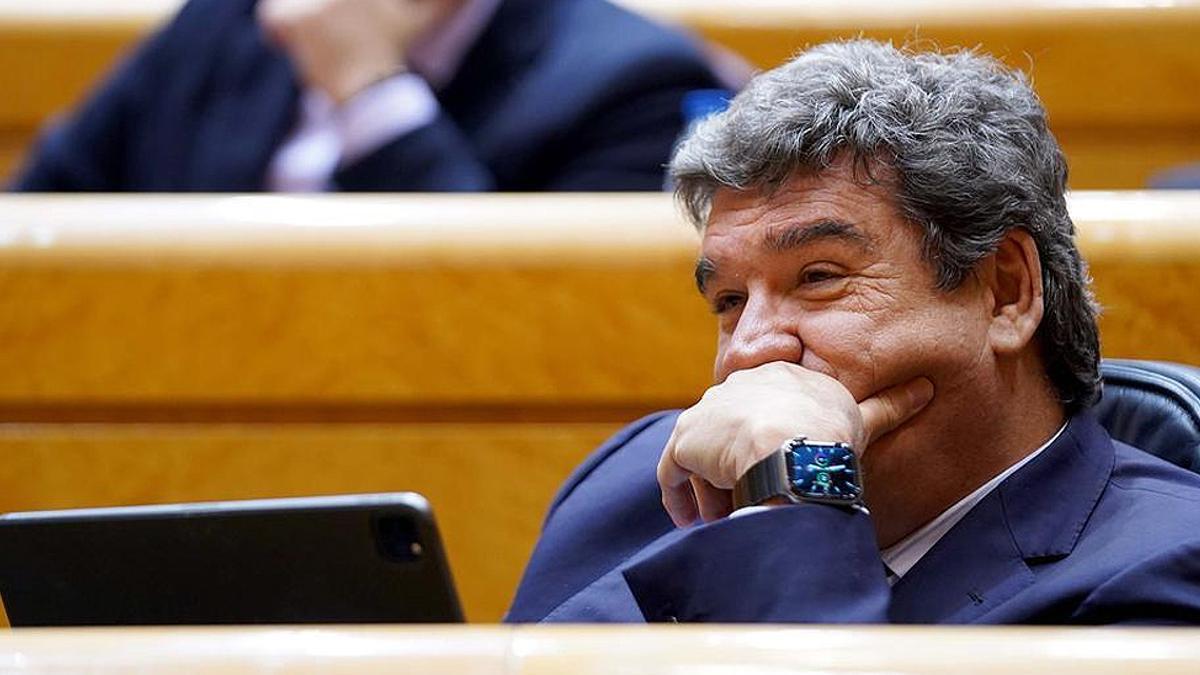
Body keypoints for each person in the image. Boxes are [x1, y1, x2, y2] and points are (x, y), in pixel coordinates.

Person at [506, 40, 1200, 624]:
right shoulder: (643, 479)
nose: (749, 348)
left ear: (1006, 291)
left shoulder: (1162, 569)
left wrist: (795, 494)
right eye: (728, 298)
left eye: (818, 277)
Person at [11, 0, 723, 192]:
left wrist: (369, 93)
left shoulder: (637, 83)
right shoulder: (221, 22)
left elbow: (512, 331)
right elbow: (42, 217)